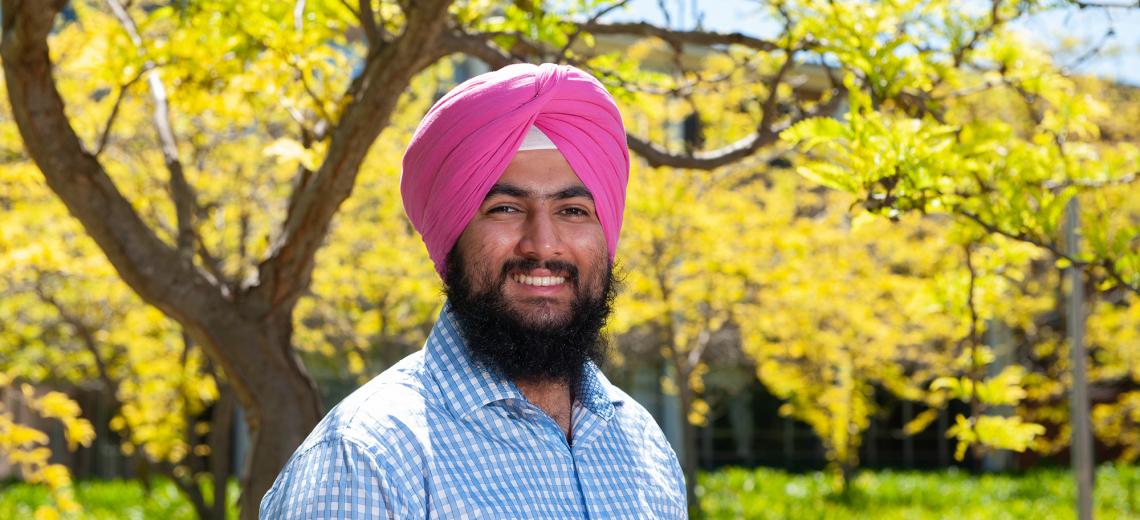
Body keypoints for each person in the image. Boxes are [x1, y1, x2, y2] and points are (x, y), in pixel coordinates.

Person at [259, 63, 686, 519]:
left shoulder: (642, 443)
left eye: (573, 211)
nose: (543, 243)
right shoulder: (366, 458)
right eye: (505, 208)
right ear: (452, 236)